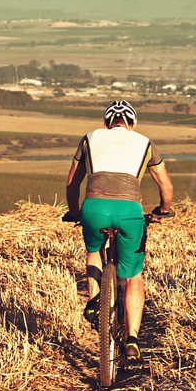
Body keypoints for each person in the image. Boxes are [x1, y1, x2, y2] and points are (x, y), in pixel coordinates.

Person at [64, 99, 173, 368]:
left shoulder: (90, 138)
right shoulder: (145, 143)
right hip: (129, 211)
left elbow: (72, 181)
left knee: (93, 251)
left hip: (94, 207)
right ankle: (133, 339)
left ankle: (93, 301)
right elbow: (165, 184)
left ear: (105, 123)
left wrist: (74, 211)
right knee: (134, 275)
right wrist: (163, 209)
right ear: (132, 124)